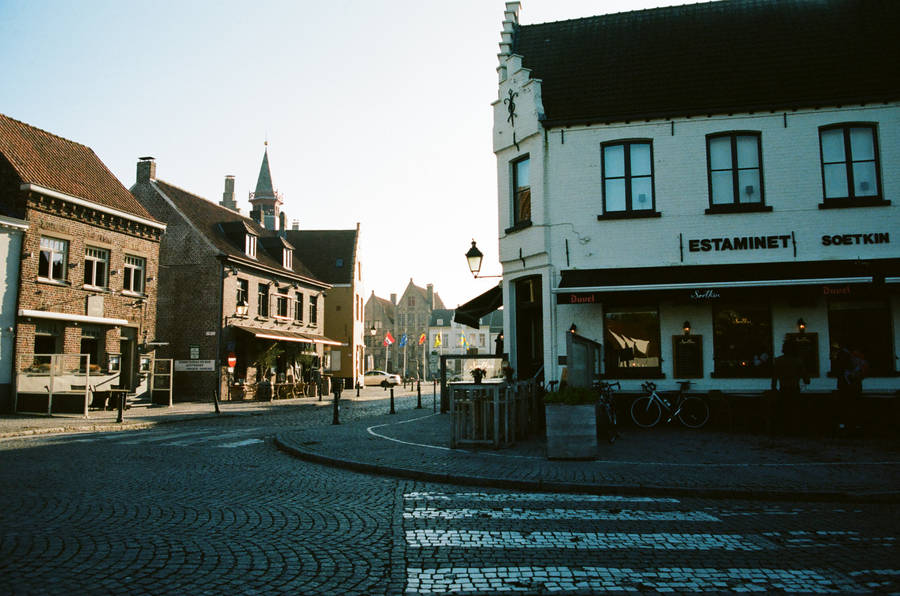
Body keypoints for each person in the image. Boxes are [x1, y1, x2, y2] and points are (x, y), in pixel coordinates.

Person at [770, 339, 808, 435]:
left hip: (783, 388)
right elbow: (806, 378)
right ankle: (795, 430)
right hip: (794, 388)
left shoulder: (778, 361)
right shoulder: (798, 361)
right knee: (795, 411)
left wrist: (774, 389)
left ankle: (784, 430)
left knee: (783, 412)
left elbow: (774, 378)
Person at [833, 344, 866, 434]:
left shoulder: (845, 357)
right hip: (853, 386)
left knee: (846, 405)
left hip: (847, 386)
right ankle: (854, 425)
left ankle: (846, 425)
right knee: (852, 405)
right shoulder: (858, 360)